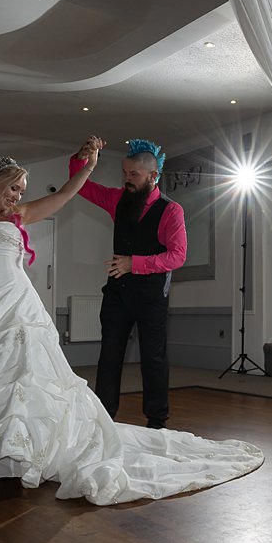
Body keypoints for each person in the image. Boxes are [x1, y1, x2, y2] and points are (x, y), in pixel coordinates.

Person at [0, 150, 262, 505]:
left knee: (26, 380)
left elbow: (69, 193)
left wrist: (88, 168)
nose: (17, 196)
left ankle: (23, 449)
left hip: (18, 305)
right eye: (13, 189)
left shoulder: (20, 216)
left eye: (22, 191)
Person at [68, 136, 184, 430]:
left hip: (151, 296)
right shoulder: (118, 199)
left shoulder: (171, 211)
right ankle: (104, 418)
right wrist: (82, 157)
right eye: (124, 173)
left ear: (153, 175)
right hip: (117, 294)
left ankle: (157, 421)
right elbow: (79, 183)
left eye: (134, 174)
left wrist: (135, 263)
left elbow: (178, 256)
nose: (127, 179)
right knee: (109, 356)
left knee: (153, 359)